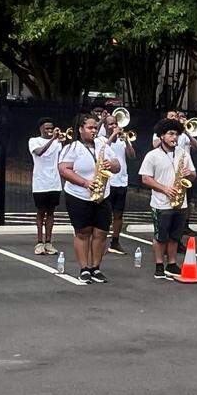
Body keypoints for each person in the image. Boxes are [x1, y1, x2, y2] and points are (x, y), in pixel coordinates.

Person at [59, 113, 120, 283]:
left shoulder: (102, 144)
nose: (94, 131)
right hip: (79, 196)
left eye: (95, 127)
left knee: (101, 232)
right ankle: (84, 268)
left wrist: (111, 165)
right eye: (90, 128)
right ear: (80, 129)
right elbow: (64, 169)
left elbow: (117, 165)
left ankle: (96, 267)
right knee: (83, 232)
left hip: (102, 195)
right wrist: (85, 183)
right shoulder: (71, 148)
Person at [138, 117, 195, 280]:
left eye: (176, 134)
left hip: (180, 202)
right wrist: (164, 189)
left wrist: (189, 174)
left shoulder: (183, 153)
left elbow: (194, 174)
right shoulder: (152, 155)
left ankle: (171, 263)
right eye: (170, 134)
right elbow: (145, 178)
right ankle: (158, 265)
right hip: (161, 203)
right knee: (160, 236)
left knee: (175, 236)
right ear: (162, 136)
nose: (174, 138)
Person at [28, 117, 64, 255]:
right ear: (41, 128)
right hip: (40, 182)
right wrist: (52, 139)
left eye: (51, 128)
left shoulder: (57, 142)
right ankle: (39, 242)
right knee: (40, 212)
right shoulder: (34, 141)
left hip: (54, 182)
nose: (49, 130)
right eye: (47, 128)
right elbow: (39, 152)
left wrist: (61, 140)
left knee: (51, 212)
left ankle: (49, 242)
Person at [103, 112, 134, 255]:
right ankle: (101, 240)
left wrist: (127, 141)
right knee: (104, 214)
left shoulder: (122, 140)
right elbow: (102, 151)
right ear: (105, 126)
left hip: (121, 181)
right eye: (111, 124)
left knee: (118, 214)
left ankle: (115, 241)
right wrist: (112, 135)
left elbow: (132, 156)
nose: (114, 126)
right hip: (107, 181)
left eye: (115, 123)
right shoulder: (101, 139)